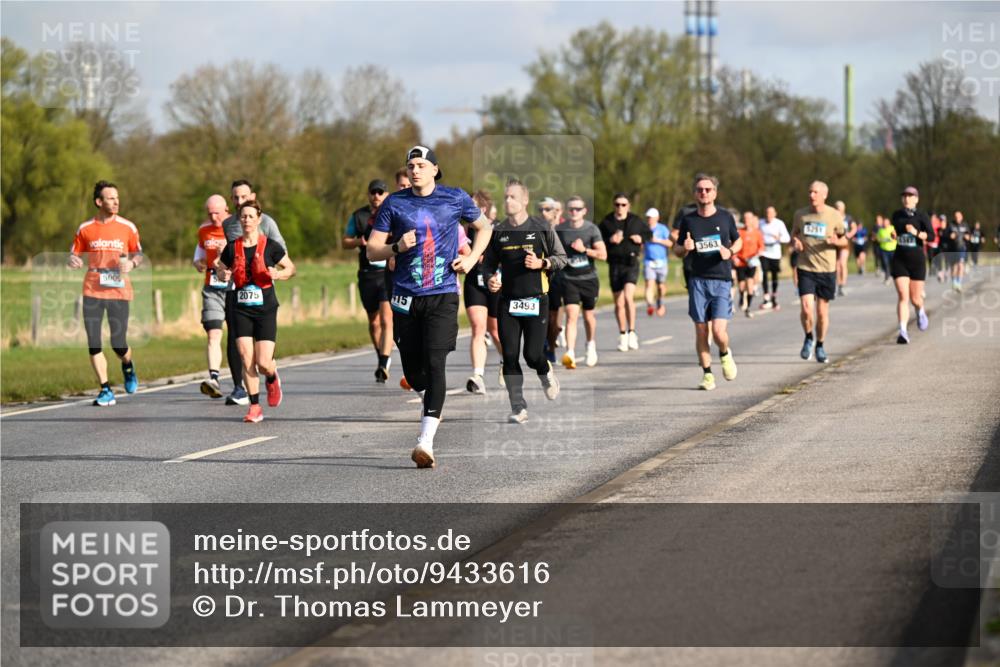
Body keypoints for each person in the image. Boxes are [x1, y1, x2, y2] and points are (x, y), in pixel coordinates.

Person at [368, 145, 492, 469]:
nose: (415, 170)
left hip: (443, 292)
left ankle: (425, 441)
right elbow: (371, 250)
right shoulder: (395, 203)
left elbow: (485, 228)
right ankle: (428, 399)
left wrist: (470, 258)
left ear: (435, 169)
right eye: (410, 165)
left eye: (421, 164)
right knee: (414, 372)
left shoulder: (455, 198)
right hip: (405, 297)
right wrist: (396, 246)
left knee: (437, 362)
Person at [482, 179, 567, 423]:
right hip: (508, 301)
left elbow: (562, 258)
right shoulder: (498, 231)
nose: (508, 201)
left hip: (536, 301)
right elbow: (488, 264)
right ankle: (518, 406)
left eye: (512, 197)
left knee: (531, 355)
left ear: (525, 200)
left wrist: (542, 263)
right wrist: (490, 279)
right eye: (506, 197)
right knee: (509, 355)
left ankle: (544, 371)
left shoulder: (541, 228)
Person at [215, 200, 295, 423]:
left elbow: (291, 268)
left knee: (263, 363)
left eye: (251, 216)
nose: (247, 220)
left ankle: (271, 376)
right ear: (239, 220)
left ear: (259, 219)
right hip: (240, 308)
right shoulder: (233, 247)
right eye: (243, 216)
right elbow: (220, 267)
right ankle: (254, 406)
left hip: (266, 309)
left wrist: (278, 275)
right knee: (245, 357)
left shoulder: (270, 246)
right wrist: (223, 275)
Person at [68, 180, 143, 407]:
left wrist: (132, 264)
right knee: (94, 342)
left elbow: (138, 253)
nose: (116, 201)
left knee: (118, 342)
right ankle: (105, 389)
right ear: (99, 202)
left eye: (117, 197)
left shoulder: (127, 227)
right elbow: (75, 253)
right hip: (92, 287)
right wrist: (72, 260)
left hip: (119, 290)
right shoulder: (85, 228)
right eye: (111, 198)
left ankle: (128, 367)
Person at [674, 174, 740, 390]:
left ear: (715, 193)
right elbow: (676, 250)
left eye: (708, 189)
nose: (704, 193)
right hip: (697, 280)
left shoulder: (724, 217)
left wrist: (728, 252)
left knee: (719, 332)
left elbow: (738, 242)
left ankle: (724, 352)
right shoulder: (688, 219)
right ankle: (707, 375)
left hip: (721, 279)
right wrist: (685, 248)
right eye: (700, 189)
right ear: (695, 193)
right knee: (701, 330)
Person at [343, 180, 394, 382]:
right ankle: (382, 355)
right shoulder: (359, 216)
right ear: (368, 195)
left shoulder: (393, 213)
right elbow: (345, 241)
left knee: (386, 319)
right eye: (373, 192)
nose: (377, 196)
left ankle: (383, 362)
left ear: (387, 195)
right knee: (374, 323)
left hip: (387, 273)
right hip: (367, 273)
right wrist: (359, 242)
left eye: (381, 192)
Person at [791, 181, 847, 364]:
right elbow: (794, 234)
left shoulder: (834, 215)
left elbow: (844, 240)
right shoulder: (800, 214)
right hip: (806, 267)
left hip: (827, 269)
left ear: (825, 194)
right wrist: (796, 243)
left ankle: (820, 345)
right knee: (807, 308)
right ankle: (808, 337)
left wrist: (835, 242)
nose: (811, 195)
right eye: (810, 192)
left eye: (815, 192)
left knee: (822, 313)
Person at [556, 195, 606, 368]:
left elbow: (603, 255)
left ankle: (590, 345)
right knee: (571, 316)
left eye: (578, 209)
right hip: (569, 279)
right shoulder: (559, 229)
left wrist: (584, 249)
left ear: (584, 211)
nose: (574, 212)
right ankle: (570, 352)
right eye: (571, 209)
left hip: (589, 279)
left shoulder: (591, 229)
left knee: (588, 315)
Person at [463, 190, 502, 394]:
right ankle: (478, 376)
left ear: (483, 209)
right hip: (473, 283)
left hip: (495, 283)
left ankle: (507, 362)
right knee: (478, 328)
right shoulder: (463, 230)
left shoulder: (498, 230)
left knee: (495, 330)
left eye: (472, 206)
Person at [192, 194, 231, 398]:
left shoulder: (236, 227)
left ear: (226, 209)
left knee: (237, 337)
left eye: (218, 213)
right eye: (210, 213)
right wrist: (198, 263)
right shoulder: (204, 230)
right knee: (213, 333)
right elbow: (198, 255)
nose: (214, 217)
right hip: (212, 288)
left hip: (234, 288)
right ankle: (214, 378)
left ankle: (241, 379)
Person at [600, 193, 646, 352]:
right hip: (614, 264)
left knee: (628, 297)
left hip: (631, 262)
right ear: (614, 205)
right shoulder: (606, 222)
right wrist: (610, 240)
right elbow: (598, 241)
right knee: (619, 302)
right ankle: (622, 334)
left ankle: (632, 332)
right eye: (617, 204)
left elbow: (648, 234)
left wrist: (641, 238)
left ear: (628, 206)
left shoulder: (635, 220)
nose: (620, 207)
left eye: (623, 204)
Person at [889, 186, 934, 344]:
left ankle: (920, 310)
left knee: (915, 298)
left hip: (917, 260)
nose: (907, 198)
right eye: (904, 196)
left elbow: (931, 236)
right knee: (903, 295)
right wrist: (893, 234)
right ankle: (903, 331)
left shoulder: (922, 216)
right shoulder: (896, 215)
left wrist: (916, 233)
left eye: (910, 196)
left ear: (916, 199)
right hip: (900, 259)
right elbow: (895, 231)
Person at [758, 205, 790, 310]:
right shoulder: (760, 223)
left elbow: (787, 238)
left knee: (774, 275)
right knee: (764, 273)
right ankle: (766, 297)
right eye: (767, 213)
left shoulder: (779, 223)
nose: (769, 215)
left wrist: (779, 238)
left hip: (775, 253)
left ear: (775, 214)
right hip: (764, 252)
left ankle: (774, 297)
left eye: (771, 213)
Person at [642, 208, 672, 317]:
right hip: (648, 261)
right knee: (649, 284)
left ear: (657, 218)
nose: (649, 219)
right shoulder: (644, 229)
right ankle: (650, 304)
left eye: (651, 217)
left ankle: (660, 302)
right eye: (648, 217)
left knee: (660, 286)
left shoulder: (663, 229)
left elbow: (670, 243)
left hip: (661, 262)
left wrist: (657, 240)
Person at [734, 211, 764, 317]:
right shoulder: (739, 232)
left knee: (750, 285)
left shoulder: (757, 233)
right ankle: (742, 297)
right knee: (742, 285)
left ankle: (748, 307)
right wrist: (735, 257)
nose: (747, 221)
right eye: (745, 219)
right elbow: (734, 246)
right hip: (741, 262)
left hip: (752, 262)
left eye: (749, 219)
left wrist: (758, 253)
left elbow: (761, 247)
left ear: (752, 220)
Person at [834, 200, 856, 296]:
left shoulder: (848, 218)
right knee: (837, 265)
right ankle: (838, 285)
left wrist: (849, 235)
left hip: (845, 243)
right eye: (836, 208)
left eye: (839, 208)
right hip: (835, 243)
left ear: (843, 209)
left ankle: (842, 284)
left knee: (843, 263)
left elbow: (854, 228)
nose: (838, 210)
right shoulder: (833, 218)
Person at [945, 210, 970, 291]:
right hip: (952, 248)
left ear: (961, 217)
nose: (957, 218)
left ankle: (959, 282)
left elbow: (969, 235)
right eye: (956, 217)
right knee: (954, 266)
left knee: (960, 264)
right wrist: (950, 236)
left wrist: (967, 237)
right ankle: (954, 281)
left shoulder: (965, 225)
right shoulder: (951, 225)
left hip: (962, 248)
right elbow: (945, 235)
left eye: (959, 216)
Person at [876, 215, 897, 284]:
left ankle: (893, 275)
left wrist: (891, 239)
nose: (885, 224)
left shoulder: (893, 228)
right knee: (885, 264)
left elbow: (896, 236)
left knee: (893, 264)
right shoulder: (880, 230)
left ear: (889, 223)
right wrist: (882, 240)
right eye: (884, 223)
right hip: (884, 250)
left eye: (886, 222)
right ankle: (887, 277)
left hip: (893, 249)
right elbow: (878, 239)